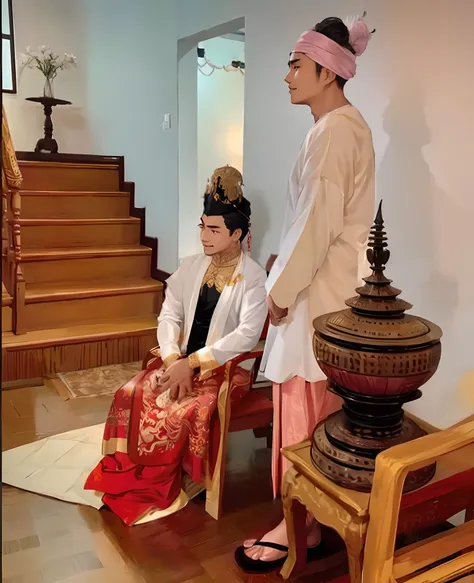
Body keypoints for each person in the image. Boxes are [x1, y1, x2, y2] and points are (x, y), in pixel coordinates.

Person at [235, 15, 376, 573]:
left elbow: (317, 221)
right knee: (322, 413)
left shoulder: (336, 130)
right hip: (331, 287)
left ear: (327, 71)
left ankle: (300, 527)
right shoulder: (341, 127)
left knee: (303, 412)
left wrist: (279, 291)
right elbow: (315, 220)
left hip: (320, 293)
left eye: (296, 65)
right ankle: (312, 521)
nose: (287, 75)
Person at [85, 166, 268, 525]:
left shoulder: (255, 277)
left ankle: (166, 478)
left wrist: (195, 363)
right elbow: (169, 313)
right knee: (130, 392)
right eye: (202, 225)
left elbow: (247, 334)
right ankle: (128, 473)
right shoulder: (191, 266)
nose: (204, 235)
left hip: (225, 371)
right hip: (178, 362)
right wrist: (172, 358)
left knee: (184, 410)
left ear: (237, 233)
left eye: (214, 229)